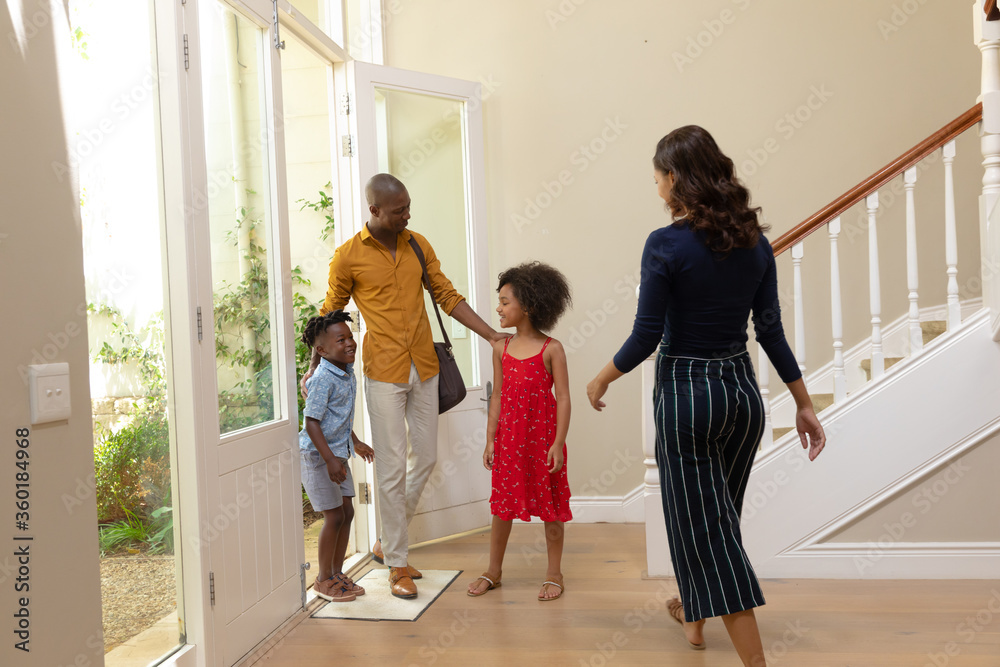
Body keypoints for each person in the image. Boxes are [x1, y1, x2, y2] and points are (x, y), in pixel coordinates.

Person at [586, 126, 826, 666]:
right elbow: (770, 332)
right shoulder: (755, 244)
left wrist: (601, 377)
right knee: (715, 520)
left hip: (687, 398)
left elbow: (647, 335)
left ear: (676, 178)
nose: (657, 190)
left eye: (657, 180)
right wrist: (804, 404)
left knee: (708, 531)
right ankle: (694, 622)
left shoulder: (665, 244)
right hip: (742, 398)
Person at [305, 173, 507, 599]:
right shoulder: (348, 256)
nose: (407, 215)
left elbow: (447, 296)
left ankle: (384, 541)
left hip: (426, 366)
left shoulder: (418, 244)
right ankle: (396, 563)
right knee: (392, 466)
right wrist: (313, 367)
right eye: (399, 210)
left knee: (427, 457)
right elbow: (329, 314)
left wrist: (491, 335)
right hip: (383, 372)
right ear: (374, 210)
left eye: (408, 207)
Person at [466, 262, 573, 602]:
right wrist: (489, 439)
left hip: (543, 442)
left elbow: (565, 398)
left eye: (504, 301)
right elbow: (496, 395)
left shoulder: (552, 348)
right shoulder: (501, 348)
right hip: (510, 441)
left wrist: (558, 442)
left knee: (552, 506)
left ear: (527, 306)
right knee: (502, 507)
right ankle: (493, 571)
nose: (498, 308)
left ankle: (554, 572)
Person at [299, 311, 375, 603]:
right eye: (340, 339)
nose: (349, 343)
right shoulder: (322, 379)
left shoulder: (345, 370)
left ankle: (336, 574)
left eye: (350, 337)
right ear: (322, 350)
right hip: (317, 456)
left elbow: (338, 418)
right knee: (333, 516)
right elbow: (312, 422)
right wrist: (330, 460)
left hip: (338, 453)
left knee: (348, 512)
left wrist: (355, 442)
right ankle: (322, 580)